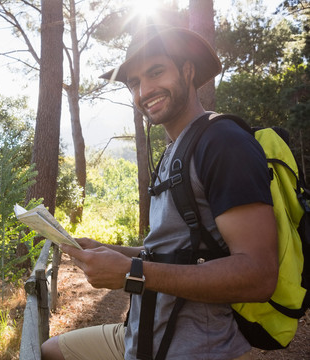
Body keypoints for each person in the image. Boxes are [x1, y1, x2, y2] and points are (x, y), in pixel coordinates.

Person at [41, 25, 278, 360]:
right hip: (141, 335)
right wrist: (111, 251)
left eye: (155, 72)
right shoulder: (173, 151)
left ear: (188, 70)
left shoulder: (224, 143)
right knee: (51, 351)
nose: (144, 90)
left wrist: (131, 273)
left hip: (192, 348)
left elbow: (258, 276)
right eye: (134, 82)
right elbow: (175, 250)